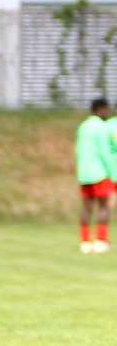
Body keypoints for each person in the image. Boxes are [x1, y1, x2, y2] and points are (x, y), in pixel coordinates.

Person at [75, 98, 115, 253]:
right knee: (104, 206)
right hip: (99, 172)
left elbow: (78, 150)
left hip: (84, 173)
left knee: (87, 207)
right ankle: (100, 240)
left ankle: (85, 241)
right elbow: (105, 152)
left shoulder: (83, 126)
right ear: (102, 109)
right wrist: (113, 173)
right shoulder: (102, 127)